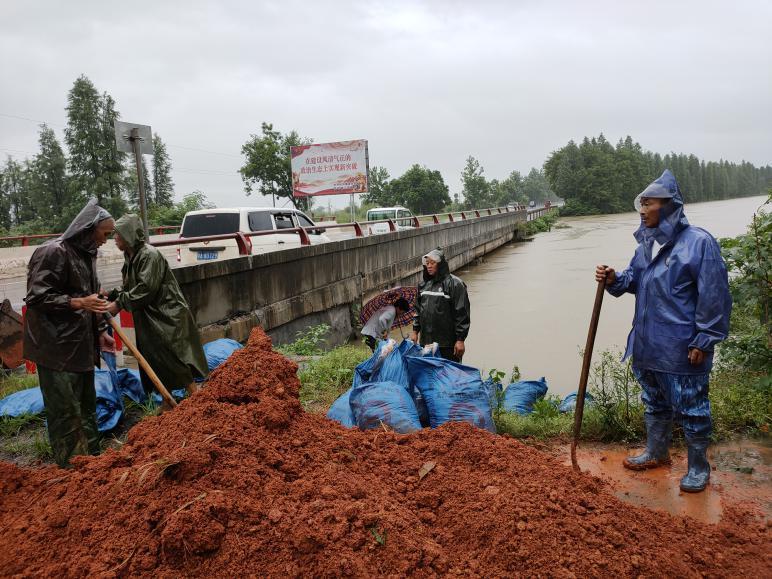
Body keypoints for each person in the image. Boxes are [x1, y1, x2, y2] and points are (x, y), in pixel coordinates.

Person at [596, 169, 731, 493]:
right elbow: (634, 279)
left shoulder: (698, 243)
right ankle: (656, 451)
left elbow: (714, 297)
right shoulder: (648, 245)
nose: (642, 211)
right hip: (647, 345)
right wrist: (615, 278)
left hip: (682, 348)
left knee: (693, 409)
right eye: (640, 204)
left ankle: (699, 467)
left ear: (668, 206)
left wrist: (705, 340)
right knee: (654, 402)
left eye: (648, 203)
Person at [23, 199, 115, 468]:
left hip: (82, 344)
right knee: (66, 412)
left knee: (87, 407)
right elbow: (37, 298)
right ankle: (72, 469)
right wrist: (78, 303)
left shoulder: (88, 255)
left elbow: (92, 297)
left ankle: (93, 464)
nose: (106, 240)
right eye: (105, 234)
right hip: (55, 347)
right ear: (89, 228)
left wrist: (99, 331)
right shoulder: (53, 252)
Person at [106, 214, 208, 398]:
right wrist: (112, 293)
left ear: (128, 235)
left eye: (117, 235)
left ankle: (195, 396)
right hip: (150, 317)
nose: (114, 239)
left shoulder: (149, 255)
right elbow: (131, 286)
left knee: (175, 357)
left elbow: (146, 289)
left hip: (167, 314)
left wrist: (118, 304)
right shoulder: (131, 257)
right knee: (156, 359)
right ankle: (167, 401)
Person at [410, 248, 470, 362]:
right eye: (427, 263)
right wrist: (414, 332)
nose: (429, 266)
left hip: (447, 344)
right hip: (426, 343)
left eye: (432, 263)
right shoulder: (423, 286)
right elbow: (418, 311)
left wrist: (460, 340)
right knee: (429, 374)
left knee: (449, 375)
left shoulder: (455, 284)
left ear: (440, 264)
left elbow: (462, 314)